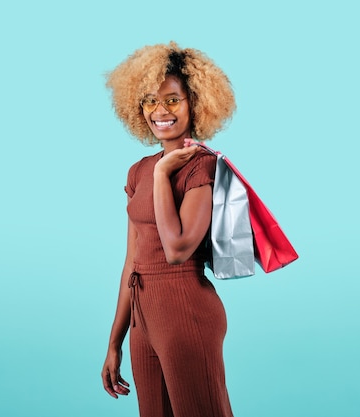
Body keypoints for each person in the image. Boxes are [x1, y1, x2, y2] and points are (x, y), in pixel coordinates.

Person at [100, 42, 236, 417]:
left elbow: (177, 250)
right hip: (143, 318)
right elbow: (132, 260)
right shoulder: (138, 170)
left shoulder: (201, 167)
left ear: (194, 102)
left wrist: (164, 173)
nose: (160, 111)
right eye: (149, 101)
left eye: (172, 100)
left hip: (185, 312)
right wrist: (116, 341)